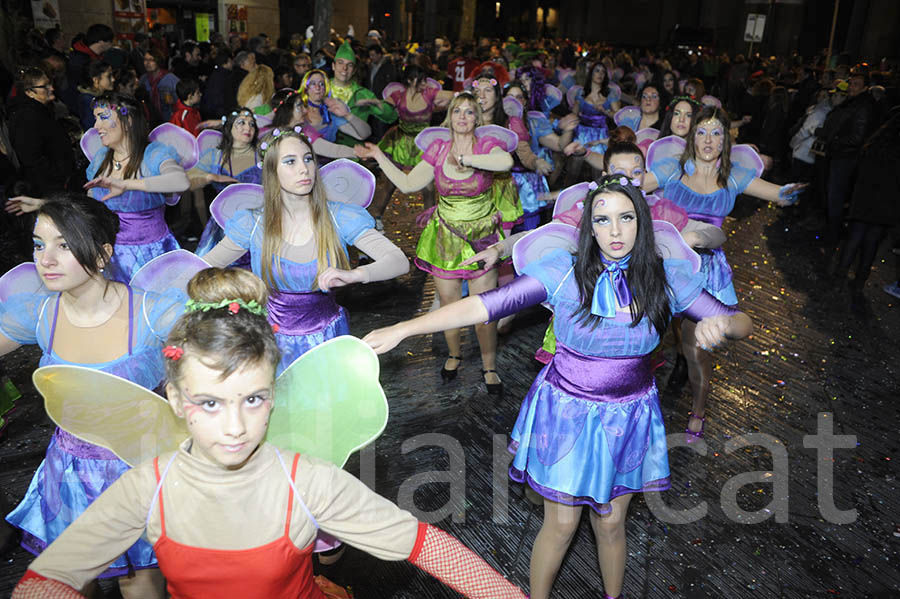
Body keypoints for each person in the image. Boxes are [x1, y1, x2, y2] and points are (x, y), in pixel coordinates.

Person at [10, 267, 528, 599]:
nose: (235, 428)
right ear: (175, 400)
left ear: (274, 396)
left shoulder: (309, 482)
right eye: (209, 403)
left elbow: (427, 546)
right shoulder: (150, 487)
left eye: (252, 399)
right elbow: (49, 575)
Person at [364, 175, 753, 599]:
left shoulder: (665, 276)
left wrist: (724, 323)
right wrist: (406, 327)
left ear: (642, 221)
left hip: (629, 415)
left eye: (625, 217)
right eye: (603, 220)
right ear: (589, 226)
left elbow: (742, 322)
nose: (616, 231)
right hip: (566, 411)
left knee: (610, 522)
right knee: (563, 523)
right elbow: (485, 304)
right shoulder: (564, 271)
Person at [1, 195, 179, 598]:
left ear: (102, 254)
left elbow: (229, 351)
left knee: (141, 583)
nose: (45, 258)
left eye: (64, 245)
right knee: (73, 585)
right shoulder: (41, 314)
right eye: (38, 243)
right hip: (68, 474)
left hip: (138, 474)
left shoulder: (152, 313)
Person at [643, 105, 805, 437]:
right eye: (701, 131)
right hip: (666, 265)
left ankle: (699, 410)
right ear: (691, 136)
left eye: (716, 132)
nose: (708, 139)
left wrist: (797, 192)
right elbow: (631, 184)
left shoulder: (733, 175)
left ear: (726, 139)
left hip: (706, 273)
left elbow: (778, 194)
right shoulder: (671, 169)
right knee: (641, 337)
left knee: (695, 351)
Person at [202, 128, 408, 374]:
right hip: (274, 344)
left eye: (308, 158)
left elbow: (398, 261)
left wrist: (356, 274)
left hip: (328, 341)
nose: (304, 168)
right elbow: (199, 269)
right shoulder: (254, 224)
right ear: (271, 172)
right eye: (290, 161)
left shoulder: (337, 216)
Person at [356, 92, 513, 394]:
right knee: (449, 304)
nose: (463, 117)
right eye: (457, 112)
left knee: (486, 309)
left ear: (477, 118)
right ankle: (454, 355)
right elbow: (407, 184)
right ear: (449, 117)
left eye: (469, 112)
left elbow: (505, 161)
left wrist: (466, 159)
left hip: (482, 238)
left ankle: (489, 365)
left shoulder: (486, 147)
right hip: (444, 238)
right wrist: (378, 156)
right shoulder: (439, 149)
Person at [366, 64, 454, 229]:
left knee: (427, 187)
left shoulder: (429, 94)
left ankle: (431, 224)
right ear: (409, 80)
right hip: (400, 142)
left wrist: (473, 91)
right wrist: (371, 102)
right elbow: (383, 108)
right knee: (389, 184)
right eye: (419, 81)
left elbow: (455, 95)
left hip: (423, 143)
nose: (423, 85)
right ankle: (375, 218)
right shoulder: (398, 95)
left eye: (424, 81)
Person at [6, 66, 75, 197]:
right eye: (45, 86)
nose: (52, 88)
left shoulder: (40, 111)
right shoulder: (26, 118)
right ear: (29, 93)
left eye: (50, 83)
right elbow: (31, 159)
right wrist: (58, 174)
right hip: (46, 188)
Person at [329, 41, 397, 146]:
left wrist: (375, 103)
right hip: (323, 155)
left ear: (354, 70)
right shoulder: (320, 89)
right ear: (333, 66)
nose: (344, 68)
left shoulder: (363, 94)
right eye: (340, 63)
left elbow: (390, 116)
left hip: (353, 155)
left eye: (349, 65)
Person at [140, 49, 179, 124]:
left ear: (158, 61)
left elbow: (182, 97)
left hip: (170, 120)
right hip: (150, 121)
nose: (148, 63)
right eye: (145, 60)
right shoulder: (143, 80)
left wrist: (173, 101)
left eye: (151, 60)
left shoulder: (169, 78)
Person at [75, 60, 115, 131]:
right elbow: (92, 128)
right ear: (96, 80)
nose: (113, 79)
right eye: (109, 76)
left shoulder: (101, 97)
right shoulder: (88, 101)